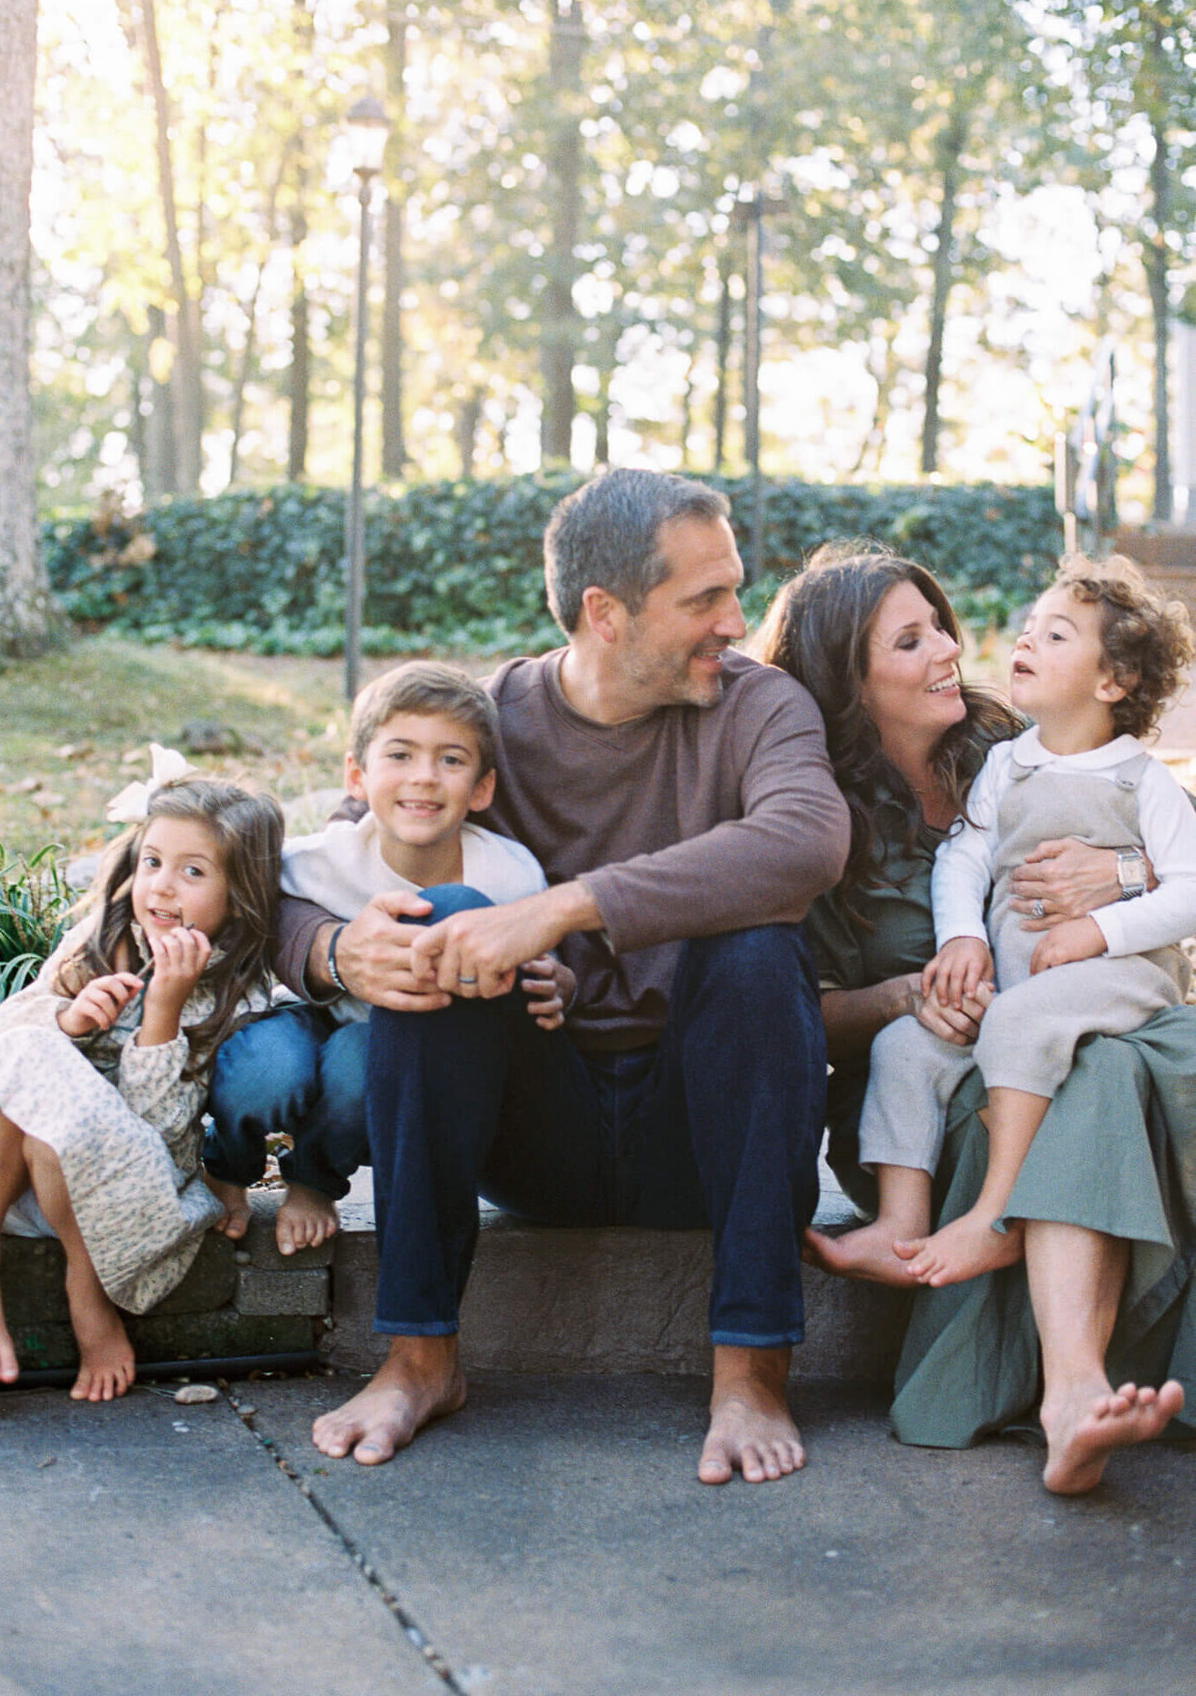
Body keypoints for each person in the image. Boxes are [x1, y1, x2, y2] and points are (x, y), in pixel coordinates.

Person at [270, 468, 851, 1482]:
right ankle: (419, 1359)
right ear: (606, 613)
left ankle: (751, 1372)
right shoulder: (486, 723)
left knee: (757, 947)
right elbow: (306, 881)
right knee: (437, 923)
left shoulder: (763, 708)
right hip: (538, 1125)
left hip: (702, 1127)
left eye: (736, 590)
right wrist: (332, 950)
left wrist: (562, 908)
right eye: (706, 598)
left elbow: (804, 843)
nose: (738, 619)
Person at [758, 542, 1194, 1495]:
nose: (951, 649)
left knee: (1098, 1060)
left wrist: (1119, 883)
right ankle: (1068, 1383)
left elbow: (1168, 839)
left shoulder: (1006, 740)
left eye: (940, 625)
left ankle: (1072, 1395)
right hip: (928, 1091)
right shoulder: (814, 816)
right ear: (848, 678)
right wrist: (916, 992)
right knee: (1098, 1072)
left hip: (1068, 1015)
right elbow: (797, 1014)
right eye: (910, 642)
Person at [851, 554, 1196, 1288]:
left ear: (1113, 682)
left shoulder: (1144, 779)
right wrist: (964, 938)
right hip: (1017, 987)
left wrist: (1100, 929)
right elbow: (962, 860)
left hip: (1121, 976)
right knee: (903, 1047)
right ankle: (899, 1222)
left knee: (1014, 1024)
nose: (1026, 641)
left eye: (1057, 634)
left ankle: (997, 1214)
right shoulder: (1006, 762)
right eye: (1029, 628)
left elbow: (1190, 889)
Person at [203, 663, 568, 1256]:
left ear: (482, 788)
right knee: (263, 1070)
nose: (424, 778)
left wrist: (561, 984)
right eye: (400, 755)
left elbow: (543, 960)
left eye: (451, 760)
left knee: (358, 1073)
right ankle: (227, 1164)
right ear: (356, 775)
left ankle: (314, 1178)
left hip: (393, 1037)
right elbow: (256, 916)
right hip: (309, 1009)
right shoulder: (319, 858)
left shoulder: (507, 872)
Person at [0, 768, 284, 1401]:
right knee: (26, 1052)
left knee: (54, 1127)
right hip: (17, 1185)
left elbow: (156, 1129)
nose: (161, 886)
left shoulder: (235, 992)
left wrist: (162, 1011)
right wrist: (70, 1020)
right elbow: (11, 1041)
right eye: (153, 861)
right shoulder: (101, 939)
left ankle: (87, 1294)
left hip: (123, 1205)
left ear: (238, 896)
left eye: (193, 872)